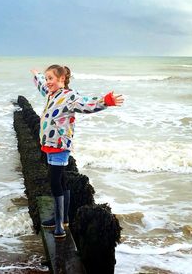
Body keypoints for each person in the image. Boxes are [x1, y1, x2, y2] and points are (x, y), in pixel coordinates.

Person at [30, 64, 124, 238]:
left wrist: (106, 101)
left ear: (62, 79)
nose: (48, 82)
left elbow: (88, 104)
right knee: (62, 180)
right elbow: (43, 86)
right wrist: (37, 76)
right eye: (47, 78)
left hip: (59, 144)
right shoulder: (51, 93)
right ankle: (63, 217)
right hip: (50, 144)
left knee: (54, 181)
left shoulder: (69, 96)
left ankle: (59, 225)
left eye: (51, 78)